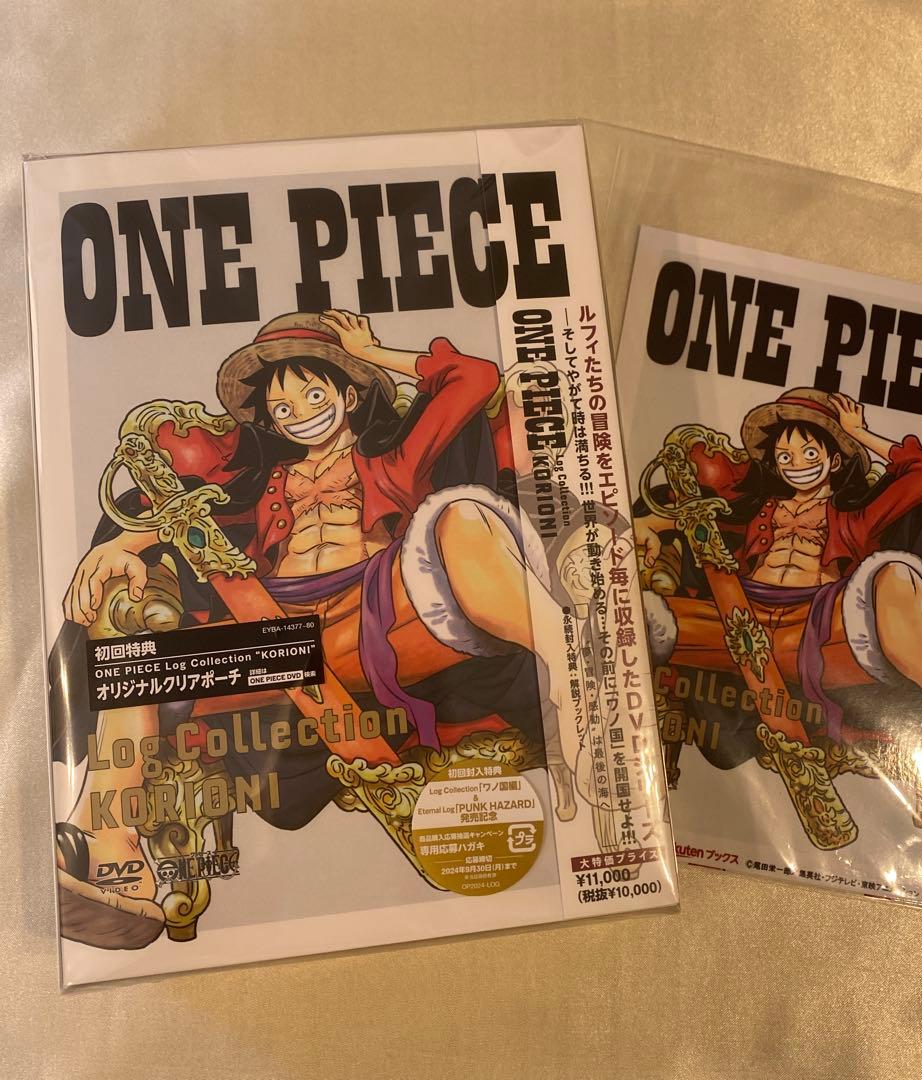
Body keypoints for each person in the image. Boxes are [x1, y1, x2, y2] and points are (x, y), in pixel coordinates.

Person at [54, 310, 580, 948]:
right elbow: (188, 520)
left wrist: (375, 353)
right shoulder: (265, 481)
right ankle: (105, 842)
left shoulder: (389, 459)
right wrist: (118, 546)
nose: (297, 414)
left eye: (312, 394)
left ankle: (575, 672)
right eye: (281, 407)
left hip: (376, 604)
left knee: (460, 516)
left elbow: (474, 378)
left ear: (349, 396)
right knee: (137, 660)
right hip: (278, 625)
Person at [635, 387, 922, 830]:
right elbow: (692, 517)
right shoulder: (758, 507)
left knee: (894, 573)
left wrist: (860, 433)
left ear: (834, 460)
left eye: (809, 452)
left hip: (815, 627)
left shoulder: (853, 516)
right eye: (785, 456)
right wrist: (648, 524)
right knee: (643, 614)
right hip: (737, 617)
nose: (795, 464)